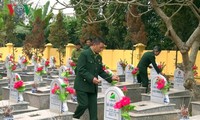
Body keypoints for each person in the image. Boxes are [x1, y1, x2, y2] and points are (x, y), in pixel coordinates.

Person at [73, 38, 120, 120]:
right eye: (100, 47)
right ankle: (75, 117)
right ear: (94, 45)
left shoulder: (98, 57)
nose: (101, 50)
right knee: (83, 104)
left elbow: (100, 71)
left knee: (93, 111)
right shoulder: (84, 54)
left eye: (103, 48)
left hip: (92, 87)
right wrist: (91, 78)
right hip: (82, 85)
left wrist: (111, 77)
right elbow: (80, 69)